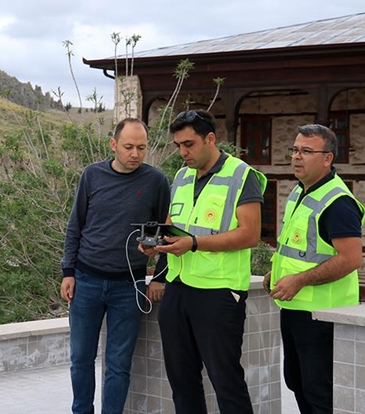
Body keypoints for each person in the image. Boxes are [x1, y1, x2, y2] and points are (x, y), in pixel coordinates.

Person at [145, 110, 266, 414]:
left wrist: (195, 243)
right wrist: (156, 244)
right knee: (182, 380)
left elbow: (250, 234)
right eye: (178, 145)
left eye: (189, 144)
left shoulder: (242, 175)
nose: (182, 152)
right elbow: (172, 226)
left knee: (226, 382)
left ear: (210, 139)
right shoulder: (182, 176)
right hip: (177, 289)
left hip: (219, 294)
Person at [61, 118, 171, 414]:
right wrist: (68, 272)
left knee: (118, 365)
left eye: (141, 148)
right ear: (113, 145)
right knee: (80, 359)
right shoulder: (92, 175)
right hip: (86, 280)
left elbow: (167, 232)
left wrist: (160, 277)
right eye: (128, 147)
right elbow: (75, 225)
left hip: (129, 285)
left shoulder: (156, 181)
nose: (135, 154)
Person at [264, 124, 365, 414]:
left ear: (327, 158)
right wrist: (276, 272)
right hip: (296, 309)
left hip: (322, 315)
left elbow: (351, 259)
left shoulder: (338, 202)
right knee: (297, 382)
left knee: (319, 392)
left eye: (307, 151)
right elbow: (300, 247)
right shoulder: (300, 192)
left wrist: (299, 280)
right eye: (295, 150)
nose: (297, 156)